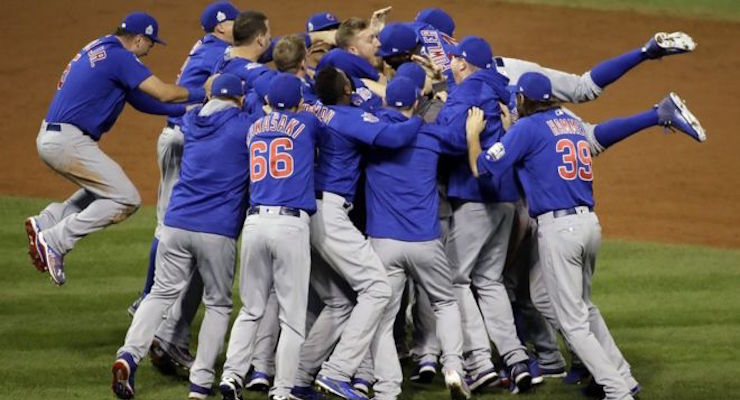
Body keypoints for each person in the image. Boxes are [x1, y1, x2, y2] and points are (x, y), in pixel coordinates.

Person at [466, 72, 705, 400]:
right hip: (589, 225)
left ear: (523, 100)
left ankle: (617, 391)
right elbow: (539, 154)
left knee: (574, 322)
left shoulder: (526, 128)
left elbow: (483, 168)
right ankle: (624, 376)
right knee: (578, 306)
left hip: (559, 231)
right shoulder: (570, 121)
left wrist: (472, 136)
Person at [25, 12, 202, 286]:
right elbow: (163, 93)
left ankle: (48, 220)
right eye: (151, 43)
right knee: (126, 199)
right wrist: (205, 92)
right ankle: (55, 241)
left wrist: (187, 109)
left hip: (57, 136)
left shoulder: (102, 47)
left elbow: (144, 102)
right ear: (139, 39)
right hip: (68, 141)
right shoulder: (121, 57)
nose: (151, 49)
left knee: (106, 189)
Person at [111, 73, 251, 400]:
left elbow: (184, 109)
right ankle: (200, 383)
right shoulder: (245, 126)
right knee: (218, 304)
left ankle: (128, 354)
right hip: (216, 230)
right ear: (240, 100)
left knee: (160, 293)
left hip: (176, 224)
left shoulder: (191, 120)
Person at [290, 67, 423, 400]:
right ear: (347, 88)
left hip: (307, 213)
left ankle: (299, 378)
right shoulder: (346, 117)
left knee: (340, 302)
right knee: (377, 289)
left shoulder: (311, 108)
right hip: (329, 214)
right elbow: (394, 138)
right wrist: (419, 116)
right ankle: (337, 372)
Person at [127, 1, 241, 377]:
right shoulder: (220, 49)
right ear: (222, 27)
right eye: (236, 22)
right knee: (171, 224)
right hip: (185, 137)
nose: (239, 27)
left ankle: (155, 309)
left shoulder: (207, 46)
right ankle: (150, 299)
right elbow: (259, 52)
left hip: (182, 131)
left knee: (174, 224)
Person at [363, 76, 470, 400]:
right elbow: (461, 140)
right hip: (425, 240)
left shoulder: (373, 133)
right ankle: (453, 367)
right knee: (445, 302)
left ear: (385, 103)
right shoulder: (430, 134)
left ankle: (387, 389)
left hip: (382, 243)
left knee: (382, 318)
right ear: (415, 103)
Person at [218, 73, 322, 400]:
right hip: (289, 226)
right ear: (298, 103)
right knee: (291, 318)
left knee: (251, 309)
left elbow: (268, 113)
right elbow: (322, 116)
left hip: (254, 225)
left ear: (266, 104)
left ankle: (231, 376)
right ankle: (282, 391)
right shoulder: (306, 123)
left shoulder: (252, 129)